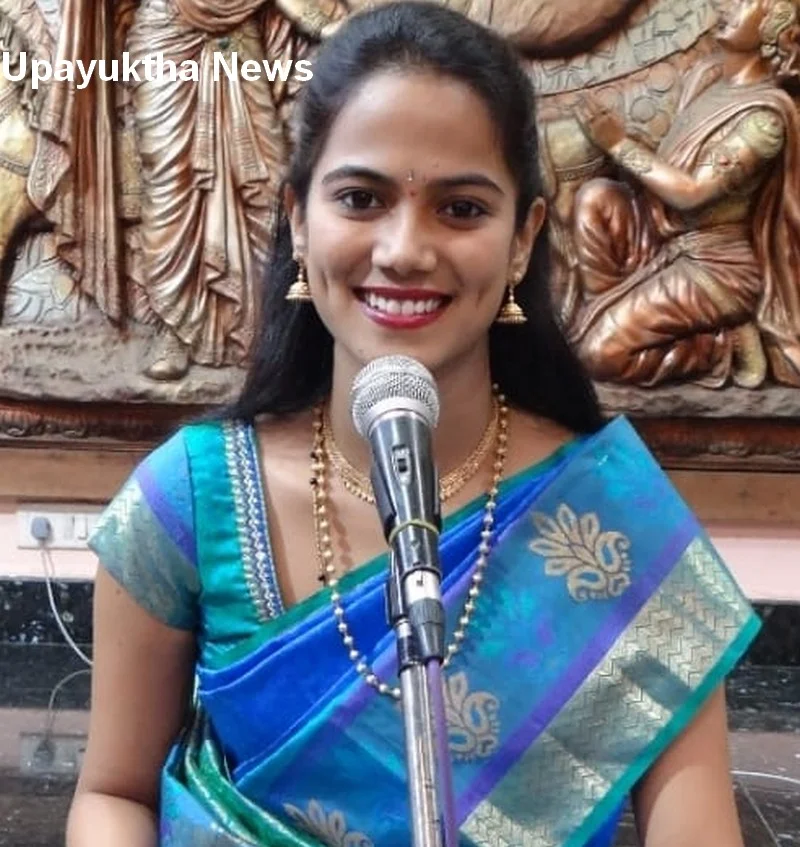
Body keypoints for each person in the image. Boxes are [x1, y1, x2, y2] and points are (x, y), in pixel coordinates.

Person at [65, 3, 760, 844]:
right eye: (361, 198)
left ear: (523, 238)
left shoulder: (619, 529)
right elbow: (115, 793)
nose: (403, 250)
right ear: (298, 218)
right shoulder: (189, 500)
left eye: (461, 208)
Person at [572, 0, 800, 389]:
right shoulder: (706, 79)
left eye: (746, 4)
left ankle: (721, 345)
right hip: (663, 235)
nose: (728, 8)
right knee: (597, 198)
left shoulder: (764, 121)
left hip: (716, 267)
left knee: (598, 356)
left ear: (773, 30)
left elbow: (691, 193)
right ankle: (615, 316)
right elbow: (672, 159)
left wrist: (618, 144)